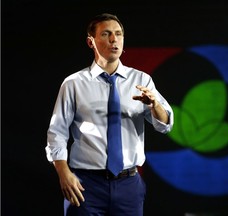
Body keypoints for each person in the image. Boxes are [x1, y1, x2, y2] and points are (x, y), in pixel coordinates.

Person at [45, 13, 174, 216]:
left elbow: (165, 124)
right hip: (85, 185)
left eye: (118, 34)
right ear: (91, 42)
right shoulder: (74, 83)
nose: (114, 40)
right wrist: (63, 173)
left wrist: (154, 105)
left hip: (128, 184)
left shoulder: (141, 80)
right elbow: (57, 132)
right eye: (106, 34)